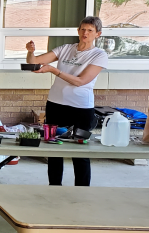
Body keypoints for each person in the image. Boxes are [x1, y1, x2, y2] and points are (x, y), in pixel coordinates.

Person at [25, 16, 109, 186]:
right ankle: (54, 188)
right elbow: (33, 63)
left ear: (98, 34)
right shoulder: (65, 49)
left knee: (80, 153)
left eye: (90, 31)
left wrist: (54, 71)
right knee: (54, 150)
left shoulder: (99, 55)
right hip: (55, 105)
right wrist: (30, 52)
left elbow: (81, 81)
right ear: (78, 31)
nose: (85, 33)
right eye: (83, 29)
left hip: (81, 108)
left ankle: (81, 190)